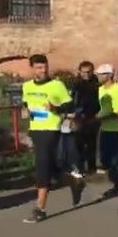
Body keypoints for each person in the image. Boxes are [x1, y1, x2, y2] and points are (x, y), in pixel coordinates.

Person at [21, 54, 79, 223]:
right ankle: (71, 179)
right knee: (49, 164)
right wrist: (28, 111)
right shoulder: (27, 86)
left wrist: (55, 107)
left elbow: (70, 105)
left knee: (42, 165)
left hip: (50, 129)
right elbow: (27, 103)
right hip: (35, 129)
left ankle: (40, 208)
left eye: (45, 66)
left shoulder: (57, 85)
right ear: (32, 68)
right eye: (39, 67)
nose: (43, 70)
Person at [94, 64, 118, 196]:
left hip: (117, 128)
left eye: (101, 75)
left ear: (109, 75)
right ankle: (117, 184)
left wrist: (107, 114)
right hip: (105, 128)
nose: (98, 77)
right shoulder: (101, 89)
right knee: (105, 160)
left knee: (117, 159)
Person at [72, 61, 99, 174]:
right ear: (80, 72)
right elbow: (73, 100)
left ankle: (92, 167)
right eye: (84, 72)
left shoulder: (96, 83)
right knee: (79, 143)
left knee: (92, 143)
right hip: (80, 116)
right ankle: (80, 167)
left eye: (89, 72)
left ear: (92, 71)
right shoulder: (77, 84)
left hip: (93, 116)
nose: (86, 74)